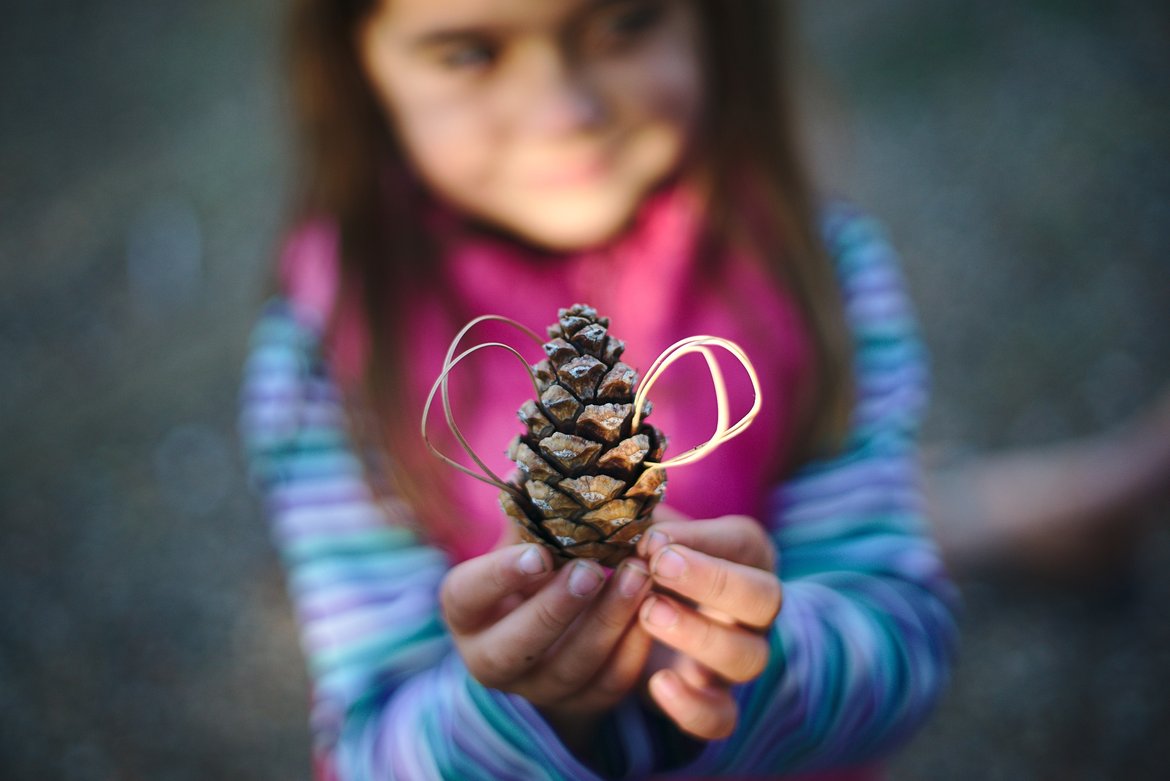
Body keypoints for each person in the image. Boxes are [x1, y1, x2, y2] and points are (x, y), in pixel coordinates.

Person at [237, 1, 959, 778]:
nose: (565, 111)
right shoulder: (328, 364)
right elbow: (368, 752)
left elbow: (905, 654)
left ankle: (987, 509)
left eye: (626, 23)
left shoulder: (820, 273)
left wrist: (760, 658)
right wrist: (525, 708)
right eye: (469, 53)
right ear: (357, 64)